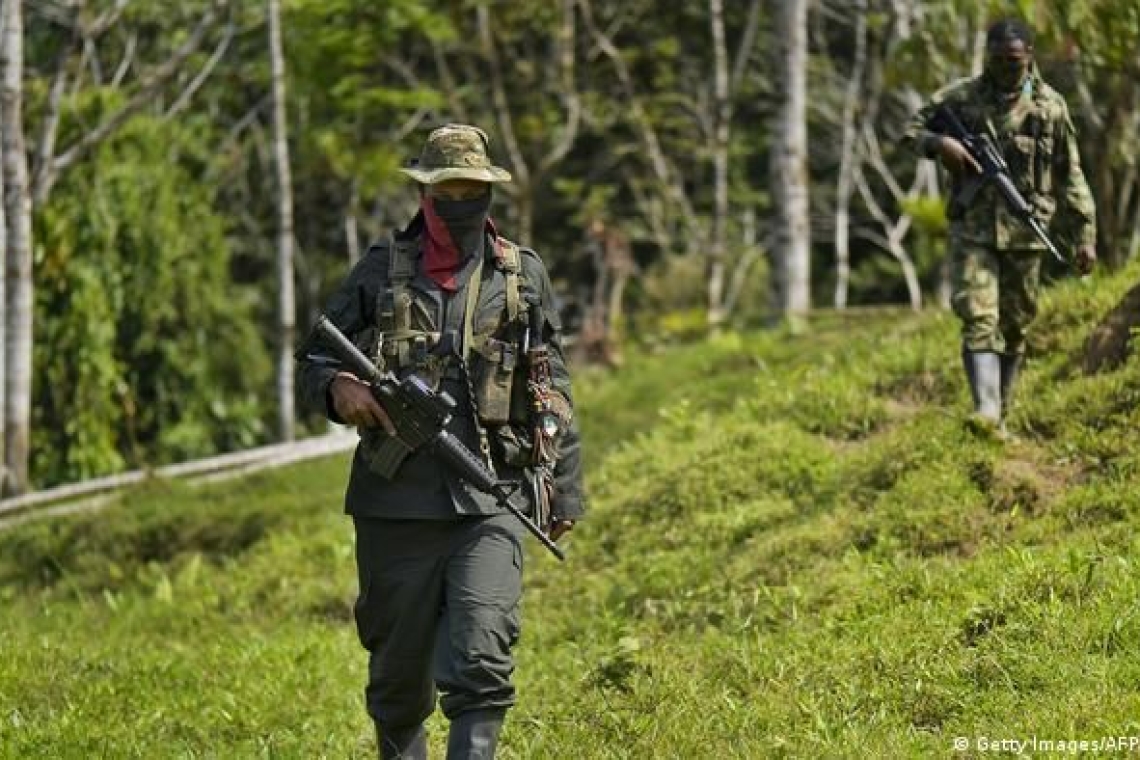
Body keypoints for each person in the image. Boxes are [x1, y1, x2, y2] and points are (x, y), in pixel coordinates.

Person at [295, 123, 585, 759]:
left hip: (492, 500)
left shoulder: (521, 276)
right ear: (424, 196)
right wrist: (343, 388)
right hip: (394, 504)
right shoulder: (381, 271)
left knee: (483, 658)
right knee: (398, 682)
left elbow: (551, 381)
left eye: (472, 194)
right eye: (447, 194)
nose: (460, 207)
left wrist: (563, 488)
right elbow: (314, 360)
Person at [905, 18, 1097, 434]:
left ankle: (1002, 413)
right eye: (996, 59)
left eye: (1013, 60)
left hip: (1026, 232)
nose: (1005, 68)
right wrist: (941, 144)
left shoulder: (1050, 107)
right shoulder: (959, 98)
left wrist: (1085, 236)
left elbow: (1071, 175)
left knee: (1015, 324)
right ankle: (986, 411)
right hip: (973, 228)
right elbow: (910, 131)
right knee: (978, 316)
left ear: (1029, 56)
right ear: (986, 56)